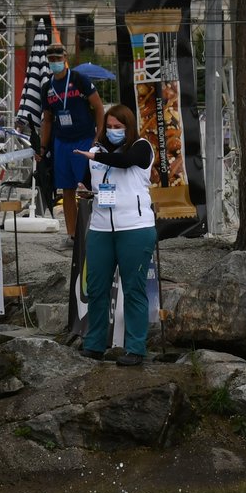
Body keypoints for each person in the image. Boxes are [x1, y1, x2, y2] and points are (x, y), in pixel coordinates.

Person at [77, 103, 157, 366]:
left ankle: (135, 348)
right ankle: (94, 344)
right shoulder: (95, 152)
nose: (113, 132)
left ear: (128, 127)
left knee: (133, 289)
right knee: (96, 288)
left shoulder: (141, 146)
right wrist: (84, 188)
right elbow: (89, 182)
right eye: (109, 127)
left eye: (118, 128)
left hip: (135, 227)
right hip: (101, 227)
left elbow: (125, 162)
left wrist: (95, 157)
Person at [38, 42, 105, 222]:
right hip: (61, 142)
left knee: (88, 188)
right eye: (51, 59)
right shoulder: (47, 87)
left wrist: (98, 136)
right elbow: (47, 119)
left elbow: (99, 108)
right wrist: (43, 147)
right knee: (67, 190)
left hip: (84, 139)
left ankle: (93, 229)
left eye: (58, 59)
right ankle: (72, 235)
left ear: (65, 58)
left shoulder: (78, 79)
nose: (55, 62)